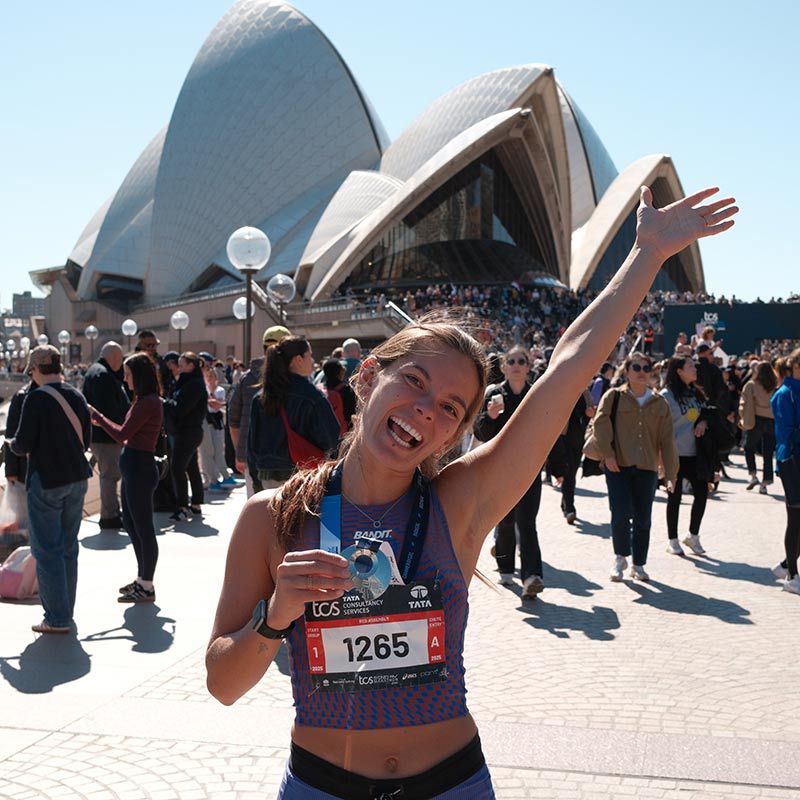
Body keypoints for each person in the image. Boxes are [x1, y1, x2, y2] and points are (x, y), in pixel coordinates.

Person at [206, 185, 736, 797]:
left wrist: (646, 253)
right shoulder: (271, 519)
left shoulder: (459, 503)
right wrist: (275, 620)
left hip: (452, 783)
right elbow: (222, 684)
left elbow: (566, 370)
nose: (424, 410)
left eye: (450, 407)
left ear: (459, 430)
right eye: (414, 381)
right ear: (370, 376)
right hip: (321, 784)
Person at [8, 345, 92, 633]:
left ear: (35, 369)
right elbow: (87, 439)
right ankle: (65, 611)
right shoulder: (77, 395)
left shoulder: (35, 399)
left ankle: (57, 617)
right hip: (78, 479)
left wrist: (10, 444)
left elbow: (22, 444)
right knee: (69, 547)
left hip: (47, 480)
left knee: (47, 550)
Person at [594, 352, 679, 581]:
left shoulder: (659, 403)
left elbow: (667, 441)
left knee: (644, 518)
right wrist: (608, 455)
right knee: (620, 513)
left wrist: (671, 473)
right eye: (637, 367)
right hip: (617, 466)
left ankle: (639, 564)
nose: (642, 372)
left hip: (647, 467)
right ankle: (620, 557)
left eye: (646, 368)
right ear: (627, 371)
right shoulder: (613, 396)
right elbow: (600, 425)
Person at [89, 353, 164, 603]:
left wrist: (97, 417)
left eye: (129, 374)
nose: (125, 378)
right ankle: (143, 579)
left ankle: (147, 584)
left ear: (139, 376)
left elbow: (123, 435)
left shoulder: (149, 402)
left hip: (140, 468)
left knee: (142, 527)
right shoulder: (143, 400)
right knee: (132, 525)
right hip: (135, 467)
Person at [473, 345, 544, 596]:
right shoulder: (495, 394)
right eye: (511, 360)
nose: (515, 364)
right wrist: (490, 416)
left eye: (521, 361)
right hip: (501, 471)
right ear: (503, 367)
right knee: (505, 520)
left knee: (527, 522)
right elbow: (480, 433)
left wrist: (558, 467)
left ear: (527, 367)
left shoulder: (536, 396)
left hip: (530, 468)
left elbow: (548, 432)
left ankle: (532, 576)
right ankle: (505, 569)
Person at [247, 336, 340, 490]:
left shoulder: (261, 396)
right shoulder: (311, 395)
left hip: (267, 477)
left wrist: (256, 481)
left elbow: (252, 446)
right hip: (302, 477)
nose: (313, 361)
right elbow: (330, 438)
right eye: (309, 356)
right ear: (298, 359)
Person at [660, 355, 716, 555]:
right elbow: (660, 427)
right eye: (690, 366)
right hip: (675, 455)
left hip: (696, 454)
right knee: (674, 498)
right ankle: (672, 540)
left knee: (702, 494)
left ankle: (693, 536)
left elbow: (706, 412)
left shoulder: (696, 393)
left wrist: (703, 421)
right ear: (679, 371)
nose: (695, 369)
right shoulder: (666, 395)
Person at [229, 325, 292, 497]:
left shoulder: (246, 378)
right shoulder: (294, 380)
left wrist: (240, 452)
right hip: (288, 458)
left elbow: (233, 419)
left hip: (252, 456)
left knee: (256, 508)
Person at [81, 342, 130, 529]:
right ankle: (110, 516)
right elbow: (109, 409)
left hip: (100, 435)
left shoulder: (96, 372)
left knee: (109, 474)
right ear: (114, 358)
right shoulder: (103, 376)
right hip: (106, 436)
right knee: (110, 476)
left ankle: (111, 513)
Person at [163, 351, 208, 521]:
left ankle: (182, 507)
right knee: (191, 467)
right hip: (188, 431)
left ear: (191, 366)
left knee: (177, 468)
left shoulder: (193, 385)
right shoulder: (189, 382)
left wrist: (164, 403)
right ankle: (195, 504)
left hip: (187, 432)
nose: (178, 368)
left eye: (182, 365)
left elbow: (181, 408)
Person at [771, 348, 800, 594]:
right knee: (796, 517)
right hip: (792, 461)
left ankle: (784, 566)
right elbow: (787, 432)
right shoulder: (785, 394)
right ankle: (791, 573)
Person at [739, 361, 777, 494]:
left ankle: (753, 475)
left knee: (749, 448)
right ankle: (765, 483)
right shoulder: (775, 385)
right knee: (768, 453)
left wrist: (742, 417)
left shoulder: (751, 385)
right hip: (771, 420)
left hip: (755, 420)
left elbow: (743, 402)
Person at [200, 362, 232, 490]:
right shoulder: (204, 390)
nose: (209, 379)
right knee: (207, 452)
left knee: (218, 449)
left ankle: (222, 476)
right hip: (207, 421)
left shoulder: (220, 390)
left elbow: (217, 405)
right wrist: (211, 401)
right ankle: (211, 479)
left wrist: (210, 401)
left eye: (211, 377)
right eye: (207, 377)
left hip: (216, 422)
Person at [320, 357, 357, 435]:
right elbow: (353, 412)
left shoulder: (319, 390)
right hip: (343, 433)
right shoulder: (346, 390)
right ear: (339, 372)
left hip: (324, 433)